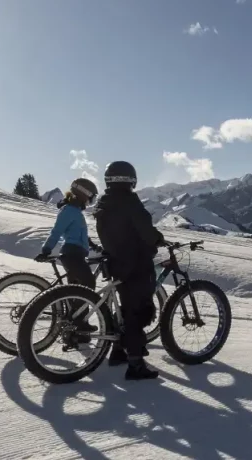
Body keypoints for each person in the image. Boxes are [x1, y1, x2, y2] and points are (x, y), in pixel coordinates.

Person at [94, 160, 165, 380]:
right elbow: (144, 229)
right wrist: (158, 239)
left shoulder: (104, 203)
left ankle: (118, 351)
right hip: (135, 263)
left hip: (117, 262)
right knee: (138, 311)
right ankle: (135, 364)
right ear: (131, 179)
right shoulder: (129, 202)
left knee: (124, 308)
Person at [36, 178, 101, 340]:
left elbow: (80, 235)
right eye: (90, 197)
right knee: (88, 285)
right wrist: (46, 250)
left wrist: (94, 246)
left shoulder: (75, 211)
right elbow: (56, 231)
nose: (90, 201)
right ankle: (79, 322)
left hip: (76, 254)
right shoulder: (68, 211)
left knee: (76, 291)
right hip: (72, 255)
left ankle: (75, 330)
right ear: (83, 194)